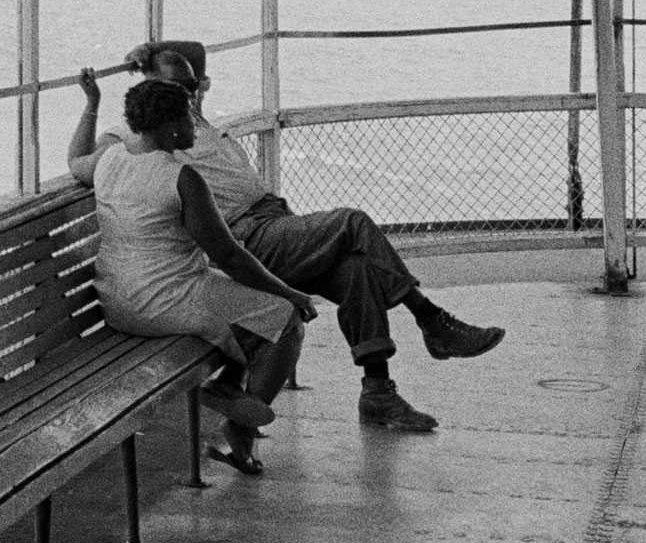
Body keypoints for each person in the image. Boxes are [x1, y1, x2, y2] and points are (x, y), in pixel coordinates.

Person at [122, 38, 504, 435]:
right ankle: (432, 320)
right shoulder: (146, 134)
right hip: (248, 238)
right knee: (352, 223)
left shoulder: (192, 118)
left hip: (274, 222)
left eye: (192, 85)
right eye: (175, 88)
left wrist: (151, 48)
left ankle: (378, 393)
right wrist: (102, 95)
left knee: (358, 270)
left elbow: (193, 49)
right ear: (153, 95)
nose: (188, 94)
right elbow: (84, 159)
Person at [68, 69, 316, 476]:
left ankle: (229, 388)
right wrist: (291, 293)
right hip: (167, 301)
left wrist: (91, 104)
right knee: (285, 321)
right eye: (184, 118)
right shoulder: (183, 178)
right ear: (167, 128)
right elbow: (231, 256)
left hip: (116, 301)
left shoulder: (110, 161)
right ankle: (240, 429)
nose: (191, 126)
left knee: (240, 306)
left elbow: (76, 160)